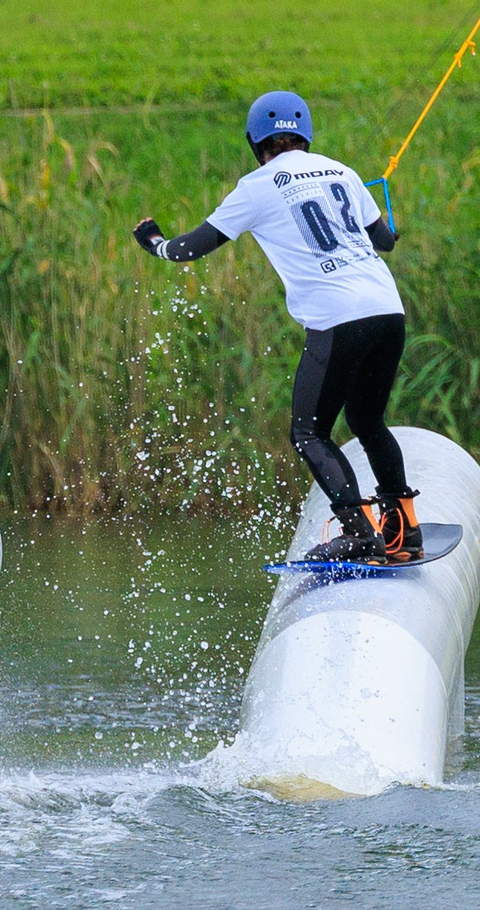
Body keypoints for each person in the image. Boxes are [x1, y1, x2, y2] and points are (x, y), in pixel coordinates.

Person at [130, 91, 418, 563]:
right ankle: (403, 527)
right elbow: (385, 241)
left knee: (309, 432)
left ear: (254, 142)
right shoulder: (342, 171)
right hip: (389, 312)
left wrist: (154, 242)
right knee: (367, 420)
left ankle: (360, 532)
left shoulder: (256, 187)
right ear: (306, 135)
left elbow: (190, 249)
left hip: (337, 318)